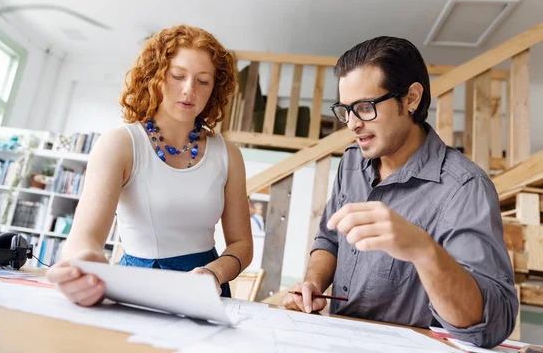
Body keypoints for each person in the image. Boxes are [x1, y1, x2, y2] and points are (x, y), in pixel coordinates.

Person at [283, 36, 518, 348]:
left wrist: (423, 250)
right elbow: (329, 240)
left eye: (365, 108)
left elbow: (491, 326)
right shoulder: (352, 163)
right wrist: (313, 282)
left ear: (411, 99)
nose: (352, 124)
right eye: (346, 110)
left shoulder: (464, 187)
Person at [47, 25, 253, 305]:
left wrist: (213, 273)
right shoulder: (120, 143)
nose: (189, 90)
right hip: (138, 283)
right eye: (177, 76)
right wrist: (82, 263)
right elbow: (84, 237)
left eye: (203, 81)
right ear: (155, 76)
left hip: (206, 287)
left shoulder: (229, 154)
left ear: (215, 88)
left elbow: (242, 245)